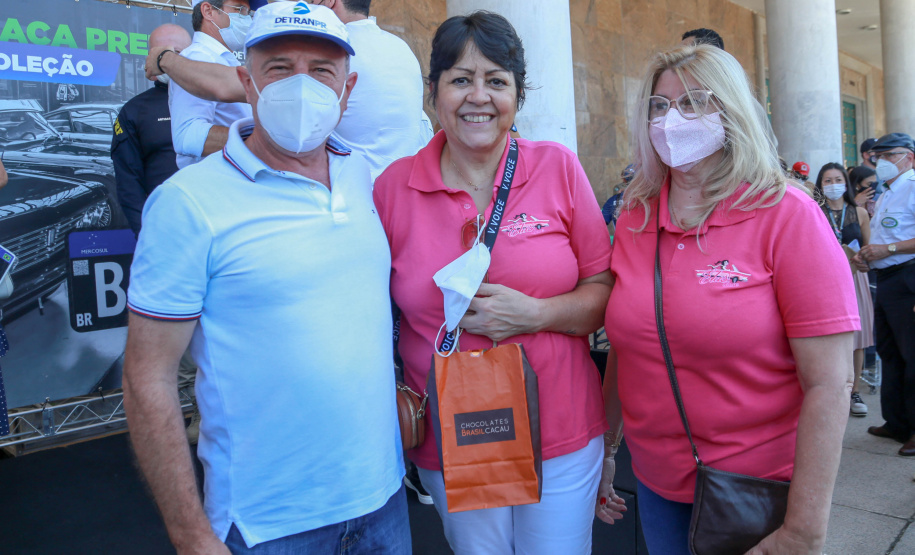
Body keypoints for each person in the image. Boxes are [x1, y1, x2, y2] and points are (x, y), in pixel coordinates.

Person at [123, 4, 409, 553]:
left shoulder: (367, 180)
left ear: (347, 91)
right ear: (245, 83)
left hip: (384, 504)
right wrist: (190, 536)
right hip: (264, 526)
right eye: (279, 67)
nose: (302, 87)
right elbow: (146, 377)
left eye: (322, 71)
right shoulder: (187, 204)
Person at [599, 44, 857, 555]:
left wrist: (803, 531)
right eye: (660, 105)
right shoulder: (634, 218)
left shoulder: (787, 215)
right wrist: (606, 449)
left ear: (730, 111)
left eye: (694, 101)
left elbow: (830, 381)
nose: (673, 118)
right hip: (655, 484)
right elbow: (627, 347)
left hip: (755, 491)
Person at [373, 12, 613, 554]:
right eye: (460, 79)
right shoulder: (392, 190)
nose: (477, 96)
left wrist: (537, 315)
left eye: (496, 81)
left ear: (517, 96)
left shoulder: (558, 169)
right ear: (432, 91)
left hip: (561, 428)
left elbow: (603, 291)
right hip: (453, 433)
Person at [147, 0, 431, 181]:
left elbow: (225, 85)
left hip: (342, 195)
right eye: (281, 66)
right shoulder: (401, 49)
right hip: (389, 199)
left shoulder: (338, 53)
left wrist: (165, 59)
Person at [852, 132, 915, 457]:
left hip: (909, 276)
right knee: (891, 352)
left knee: (912, 354)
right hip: (888, 278)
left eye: (891, 156)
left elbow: (897, 242)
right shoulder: (890, 190)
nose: (883, 162)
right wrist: (870, 256)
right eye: (880, 157)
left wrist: (886, 249)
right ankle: (897, 422)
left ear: (909, 157)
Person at [112, 24, 192, 235]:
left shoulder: (220, 98)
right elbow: (129, 184)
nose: (168, 60)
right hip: (167, 229)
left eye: (176, 53)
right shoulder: (135, 111)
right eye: (160, 54)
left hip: (222, 225)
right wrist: (147, 235)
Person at [814, 163, 874, 417]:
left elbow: (870, 250)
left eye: (837, 179)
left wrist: (861, 258)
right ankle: (828, 388)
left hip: (853, 277)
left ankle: (854, 390)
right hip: (822, 278)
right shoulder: (814, 210)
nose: (833, 185)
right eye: (827, 181)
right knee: (825, 334)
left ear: (846, 183)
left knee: (856, 338)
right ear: (820, 185)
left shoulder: (859, 212)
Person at [168, 0, 253, 168]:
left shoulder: (223, 58)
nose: (247, 20)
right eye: (240, 10)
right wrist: (261, 142)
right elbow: (188, 136)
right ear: (208, 11)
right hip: (215, 186)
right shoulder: (198, 58)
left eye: (248, 13)